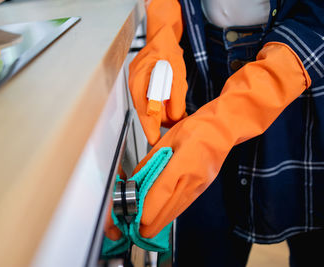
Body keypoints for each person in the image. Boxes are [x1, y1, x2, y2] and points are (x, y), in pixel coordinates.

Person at [128, 0, 324, 266]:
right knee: (204, 247)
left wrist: (223, 123)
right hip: (205, 67)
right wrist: (163, 31)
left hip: (306, 83)